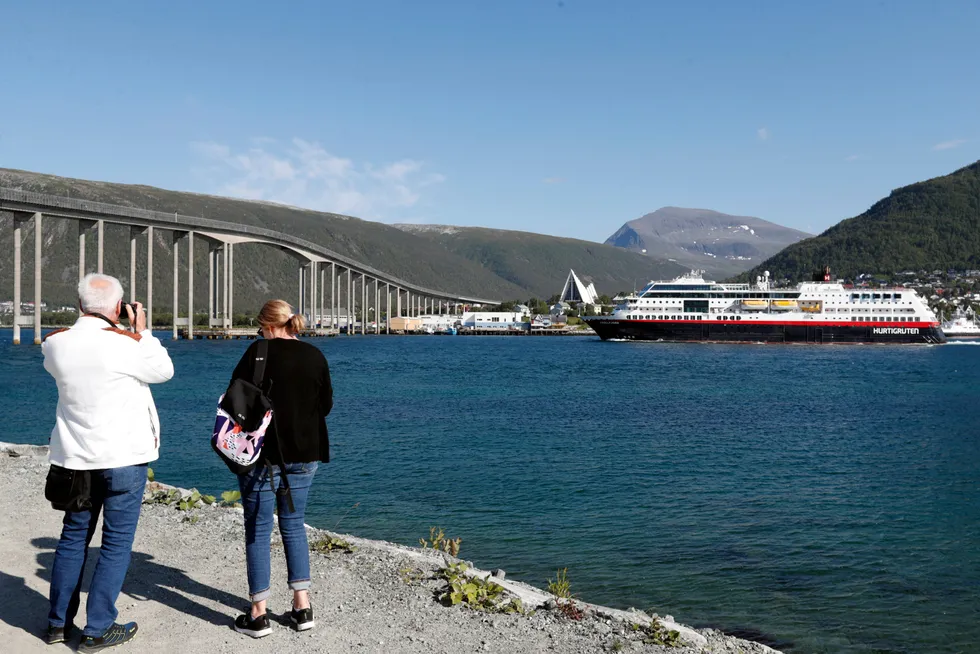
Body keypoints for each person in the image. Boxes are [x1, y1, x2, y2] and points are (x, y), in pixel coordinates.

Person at [42, 273, 175, 651]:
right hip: (123, 458)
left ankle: (56, 624)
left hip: (74, 459)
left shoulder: (54, 344)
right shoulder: (126, 344)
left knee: (72, 538)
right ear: (118, 308)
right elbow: (163, 371)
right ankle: (98, 628)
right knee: (116, 544)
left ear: (79, 304)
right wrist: (142, 332)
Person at [229, 299, 333, 638]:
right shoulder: (315, 355)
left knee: (258, 531)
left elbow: (236, 399)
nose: (260, 332)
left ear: (268, 324)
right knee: (293, 525)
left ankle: (258, 615)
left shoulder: (257, 352)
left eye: (261, 326)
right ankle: (302, 607)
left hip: (261, 455)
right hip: (305, 453)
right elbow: (326, 405)